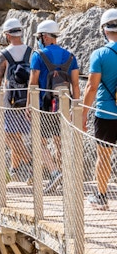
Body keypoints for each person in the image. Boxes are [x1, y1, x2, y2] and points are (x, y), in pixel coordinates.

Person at [28, 20, 80, 194]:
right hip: (63, 106)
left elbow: (33, 82)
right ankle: (64, 175)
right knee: (59, 141)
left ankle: (54, 172)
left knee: (39, 141)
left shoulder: (38, 55)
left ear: (44, 36)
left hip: (44, 105)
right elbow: (75, 85)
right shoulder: (70, 56)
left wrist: (29, 104)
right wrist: (76, 107)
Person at [82, 8, 117, 209]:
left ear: (104, 29)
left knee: (103, 157)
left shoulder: (100, 54)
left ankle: (101, 197)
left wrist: (84, 113)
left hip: (106, 113)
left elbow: (92, 86)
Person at [0, 18, 32, 182]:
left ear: (7, 35)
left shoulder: (4, 55)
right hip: (28, 100)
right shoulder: (31, 52)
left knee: (9, 135)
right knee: (18, 136)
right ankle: (15, 169)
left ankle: (31, 165)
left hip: (10, 100)